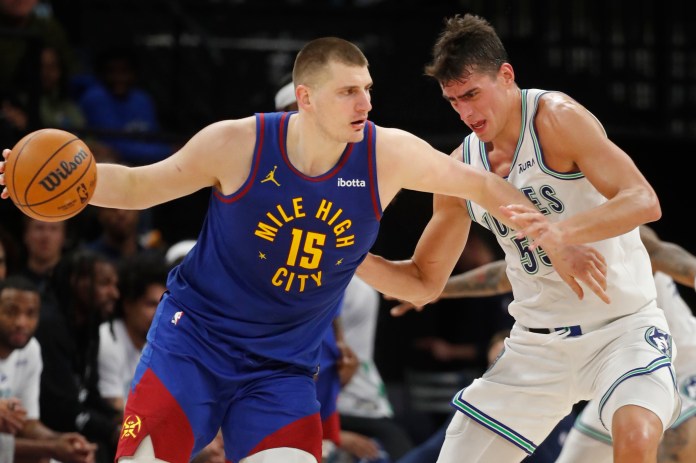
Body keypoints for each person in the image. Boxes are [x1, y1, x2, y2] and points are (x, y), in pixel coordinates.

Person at [0, 36, 596, 463]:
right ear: (305, 98)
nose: (364, 104)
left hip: (281, 367)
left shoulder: (386, 153)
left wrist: (558, 239)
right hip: (194, 344)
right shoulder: (239, 143)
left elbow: (482, 187)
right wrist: (68, 180)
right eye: (347, 92)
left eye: (367, 89)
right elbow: (137, 183)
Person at [355, 13, 673, 463]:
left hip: (622, 330)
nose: (465, 112)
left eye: (472, 94)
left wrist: (559, 233)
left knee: (637, 437)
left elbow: (643, 200)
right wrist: (351, 257)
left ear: (506, 76)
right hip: (536, 345)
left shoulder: (556, 118)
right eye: (453, 101)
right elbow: (423, 281)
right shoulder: (461, 167)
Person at [392, 224, 696, 463]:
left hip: (667, 355)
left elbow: (666, 253)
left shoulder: (605, 211)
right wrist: (437, 290)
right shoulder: (541, 227)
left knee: (672, 451)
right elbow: (506, 275)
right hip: (600, 358)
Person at [34, 249, 122, 463]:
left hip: (73, 425)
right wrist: (111, 429)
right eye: (104, 283)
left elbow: (89, 393)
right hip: (46, 434)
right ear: (77, 281)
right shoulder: (49, 326)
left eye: (115, 284)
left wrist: (119, 418)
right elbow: (60, 407)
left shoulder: (89, 324)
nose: (114, 293)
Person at [0, 275, 98, 463]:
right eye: (11, 312)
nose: (21, 323)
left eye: (30, 314)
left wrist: (60, 440)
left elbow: (28, 424)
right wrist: (52, 448)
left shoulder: (31, 350)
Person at [98, 254, 168, 412]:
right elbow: (114, 409)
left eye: (164, 305)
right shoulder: (108, 340)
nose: (159, 313)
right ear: (128, 304)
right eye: (151, 304)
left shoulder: (155, 346)